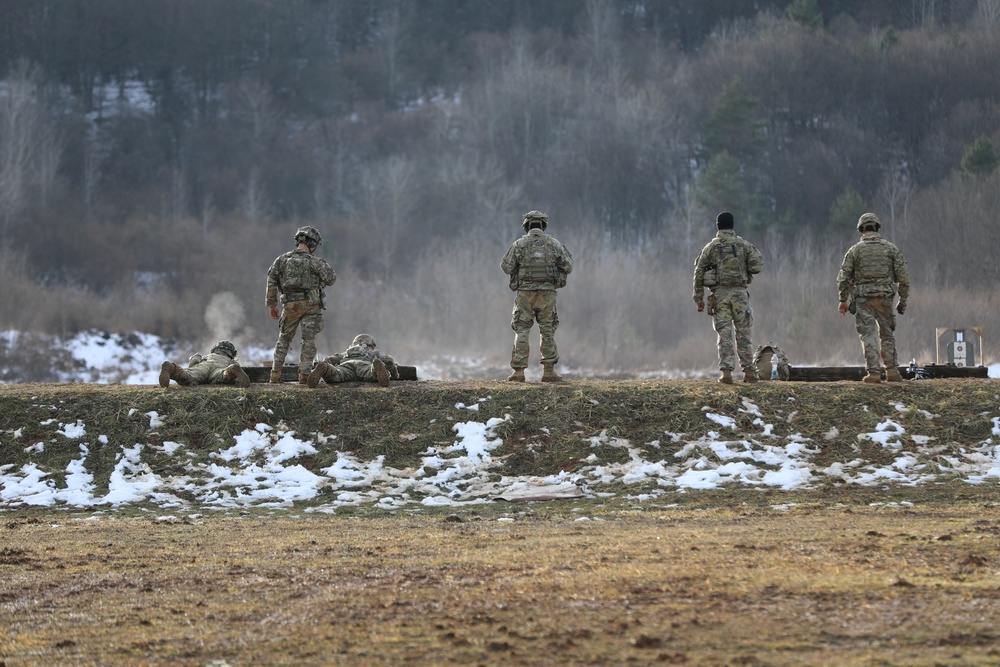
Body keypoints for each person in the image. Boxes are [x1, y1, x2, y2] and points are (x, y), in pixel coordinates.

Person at [500, 210, 574, 382]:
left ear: (526, 225)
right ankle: (549, 372)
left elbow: (506, 267)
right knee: (547, 331)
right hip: (547, 295)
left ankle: (518, 372)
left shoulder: (519, 244)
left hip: (525, 295)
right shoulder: (554, 244)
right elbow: (568, 266)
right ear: (543, 225)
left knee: (522, 330)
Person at [837, 212, 910, 383]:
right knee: (887, 335)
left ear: (861, 230)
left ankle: (874, 373)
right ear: (877, 228)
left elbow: (843, 277)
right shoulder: (891, 249)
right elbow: (904, 278)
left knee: (868, 335)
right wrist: (903, 299)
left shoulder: (854, 251)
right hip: (885, 299)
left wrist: (843, 300)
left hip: (863, 300)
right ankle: (892, 371)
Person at [692, 211, 764, 384]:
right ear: (732, 225)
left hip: (720, 296)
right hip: (740, 295)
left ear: (718, 226)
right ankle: (749, 373)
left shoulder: (710, 248)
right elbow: (758, 266)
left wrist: (699, 298)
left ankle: (726, 374)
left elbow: (698, 272)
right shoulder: (744, 245)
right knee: (744, 333)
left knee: (724, 335)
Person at [265, 226, 337, 384]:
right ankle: (304, 376)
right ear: (312, 244)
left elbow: (271, 281)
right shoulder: (315, 262)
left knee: (284, 339)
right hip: (311, 305)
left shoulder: (282, 260)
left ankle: (275, 375)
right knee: (308, 340)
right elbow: (331, 278)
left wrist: (272, 305)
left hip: (290, 305)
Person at [306, 334, 398, 388]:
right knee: (371, 373)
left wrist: (327, 365)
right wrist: (395, 375)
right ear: (369, 344)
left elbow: (329, 359)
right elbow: (388, 360)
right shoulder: (373, 352)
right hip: (364, 365)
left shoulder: (346, 352)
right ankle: (375, 366)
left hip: (346, 366)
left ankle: (326, 368)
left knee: (336, 374)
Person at [158, 340, 250, 388]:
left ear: (215, 349)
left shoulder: (207, 356)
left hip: (204, 365)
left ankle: (172, 368)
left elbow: (193, 363)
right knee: (224, 376)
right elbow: (237, 368)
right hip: (219, 368)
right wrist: (234, 369)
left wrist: (194, 361)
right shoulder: (230, 360)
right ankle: (230, 370)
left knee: (187, 376)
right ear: (232, 353)